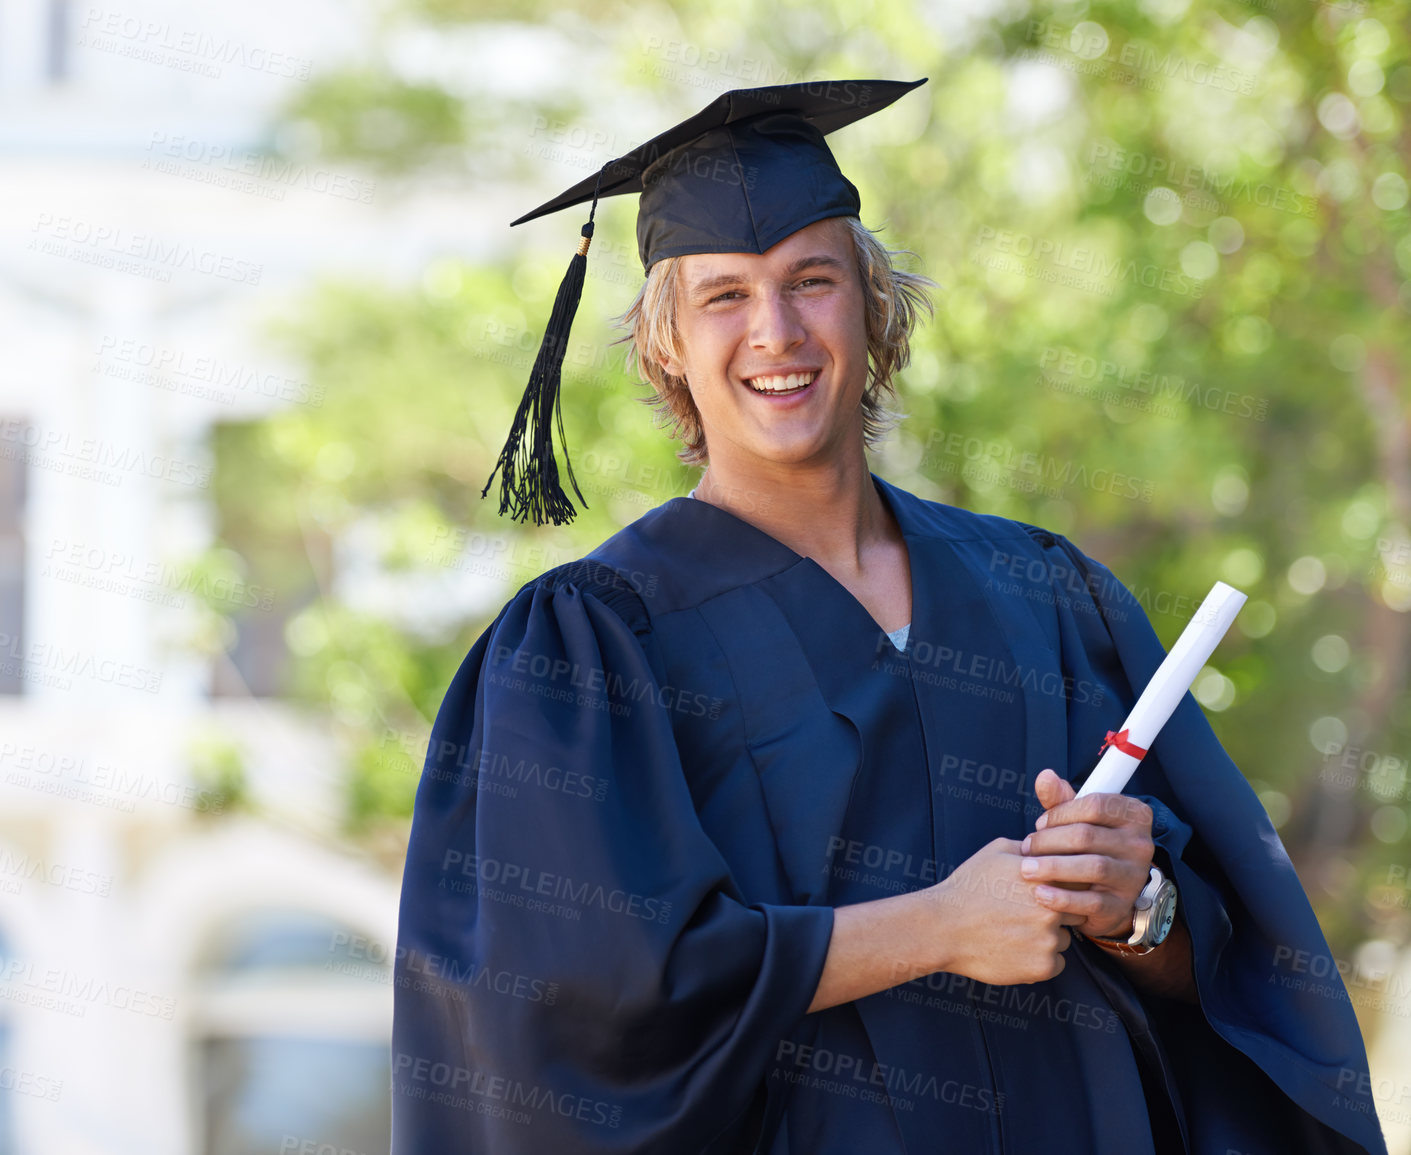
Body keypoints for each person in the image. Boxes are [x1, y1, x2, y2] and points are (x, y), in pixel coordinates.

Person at [391, 79, 1390, 1155]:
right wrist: (940, 929)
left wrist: (1137, 908)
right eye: (724, 296)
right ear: (666, 343)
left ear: (872, 306)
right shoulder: (594, 643)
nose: (775, 331)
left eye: (811, 281)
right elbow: (586, 998)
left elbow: (1240, 971)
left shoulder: (1043, 590)